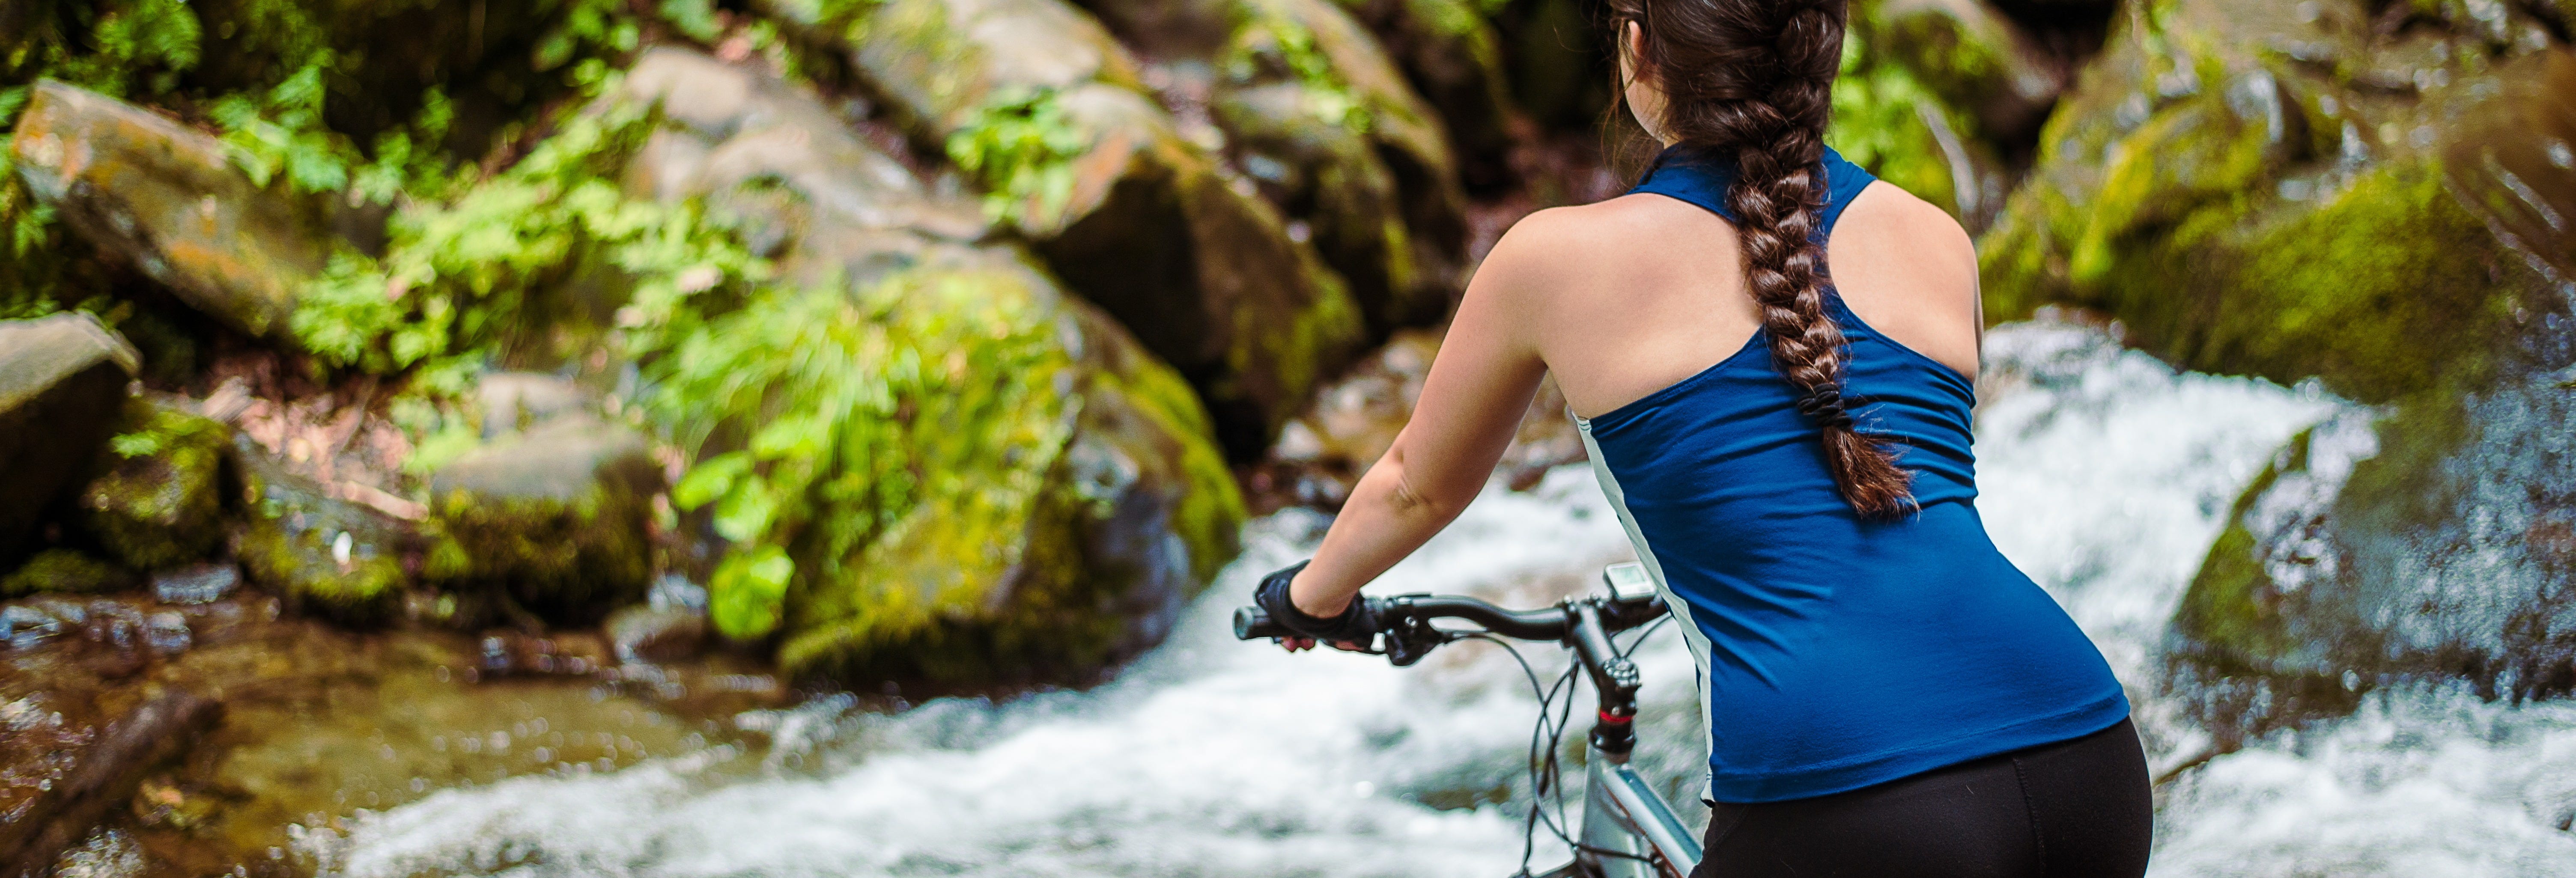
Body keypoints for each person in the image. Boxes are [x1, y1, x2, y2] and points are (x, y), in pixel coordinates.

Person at [1248, 0, 2152, 874]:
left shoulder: (1551, 259)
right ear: (1819, 53)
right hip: (2084, 753)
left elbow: (1416, 483)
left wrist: (1308, 597)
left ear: (1640, 50)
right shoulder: (1933, 235)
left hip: (1843, 788)